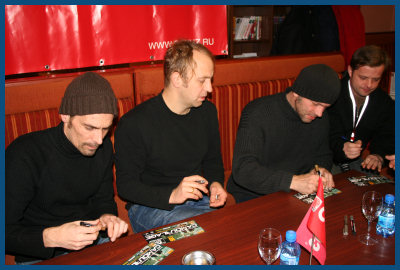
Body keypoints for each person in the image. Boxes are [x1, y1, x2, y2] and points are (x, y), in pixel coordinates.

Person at [5, 72, 128, 264]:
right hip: (41, 255)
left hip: (94, 245)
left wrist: (108, 217)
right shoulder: (25, 154)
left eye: (105, 129)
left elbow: (103, 200)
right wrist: (52, 237)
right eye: (89, 128)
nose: (98, 140)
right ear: (65, 116)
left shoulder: (102, 149)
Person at [115, 40, 227, 233]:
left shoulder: (207, 112)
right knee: (205, 232)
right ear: (177, 79)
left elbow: (213, 161)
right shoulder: (135, 123)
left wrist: (216, 183)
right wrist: (173, 194)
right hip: (149, 207)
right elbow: (126, 187)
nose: (209, 88)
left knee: (230, 229)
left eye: (210, 79)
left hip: (198, 201)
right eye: (202, 80)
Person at [227, 64, 340, 203]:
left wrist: (321, 169)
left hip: (298, 193)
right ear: (296, 92)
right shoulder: (258, 113)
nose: (320, 113)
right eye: (315, 104)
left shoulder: (320, 117)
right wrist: (292, 181)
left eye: (325, 107)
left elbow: (323, 154)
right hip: (254, 195)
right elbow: (243, 170)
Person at [328, 45, 395, 175]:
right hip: (327, 159)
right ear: (351, 71)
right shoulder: (332, 94)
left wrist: (378, 156)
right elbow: (322, 135)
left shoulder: (383, 101)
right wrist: (341, 147)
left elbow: (387, 135)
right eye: (363, 78)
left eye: (376, 79)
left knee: (377, 189)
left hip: (358, 162)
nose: (369, 85)